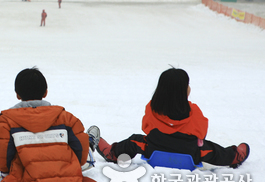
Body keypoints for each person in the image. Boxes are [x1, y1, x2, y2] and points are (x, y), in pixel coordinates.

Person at [88, 68, 250, 168]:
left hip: (155, 150)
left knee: (134, 141)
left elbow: (146, 129)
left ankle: (113, 154)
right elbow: (201, 135)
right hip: (189, 153)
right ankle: (234, 157)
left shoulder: (152, 108)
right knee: (211, 150)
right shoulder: (193, 111)